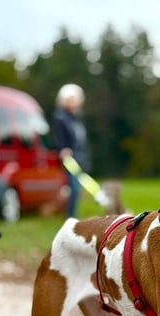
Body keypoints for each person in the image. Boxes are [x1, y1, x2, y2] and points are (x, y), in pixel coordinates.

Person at [52, 83, 91, 218]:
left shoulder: (76, 118)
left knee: (76, 188)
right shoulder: (60, 118)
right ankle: (70, 216)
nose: (73, 102)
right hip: (69, 159)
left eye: (75, 99)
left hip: (79, 157)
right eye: (70, 99)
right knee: (73, 188)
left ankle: (71, 213)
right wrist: (63, 149)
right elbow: (59, 137)